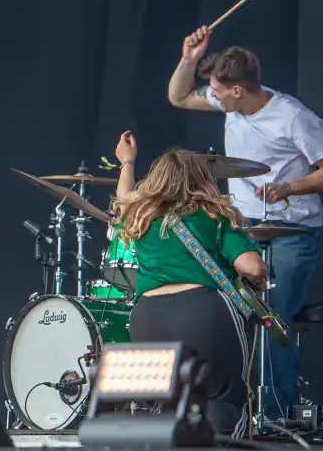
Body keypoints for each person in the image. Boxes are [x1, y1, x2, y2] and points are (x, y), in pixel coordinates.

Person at [167, 26, 323, 419]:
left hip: (291, 233)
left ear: (237, 90)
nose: (212, 96)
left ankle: (273, 420)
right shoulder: (229, 103)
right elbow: (178, 96)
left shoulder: (294, 117)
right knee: (227, 315)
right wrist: (188, 57)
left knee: (272, 321)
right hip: (244, 227)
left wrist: (290, 186)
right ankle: (233, 413)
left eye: (217, 90)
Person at [111, 133, 268, 438]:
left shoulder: (141, 215)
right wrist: (258, 279)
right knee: (222, 397)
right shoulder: (213, 213)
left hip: (147, 317)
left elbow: (123, 200)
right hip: (203, 313)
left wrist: (127, 162)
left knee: (163, 401)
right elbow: (252, 266)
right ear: (203, 180)